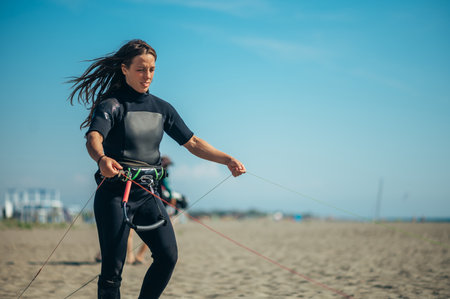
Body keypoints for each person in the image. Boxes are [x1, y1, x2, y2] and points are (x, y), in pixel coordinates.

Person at [68, 39, 246, 299]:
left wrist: (227, 159)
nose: (147, 75)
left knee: (167, 257)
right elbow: (94, 137)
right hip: (116, 195)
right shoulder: (112, 105)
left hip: (148, 193)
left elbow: (193, 142)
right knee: (111, 273)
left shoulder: (162, 109)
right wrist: (102, 159)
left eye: (152, 69)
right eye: (141, 69)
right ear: (124, 69)